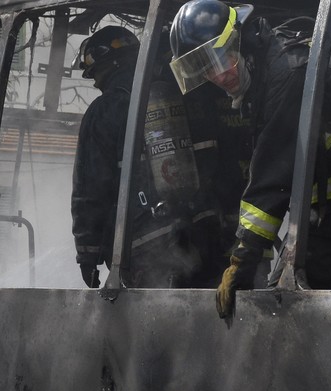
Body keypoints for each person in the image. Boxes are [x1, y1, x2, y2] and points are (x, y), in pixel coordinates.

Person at [168, 0, 331, 317]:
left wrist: (242, 259)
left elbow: (272, 175)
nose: (217, 75)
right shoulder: (275, 61)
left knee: (285, 312)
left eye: (220, 59)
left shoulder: (287, 75)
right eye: (204, 68)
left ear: (239, 39)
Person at [70, 26, 224, 289]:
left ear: (112, 64)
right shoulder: (184, 95)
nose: (94, 82)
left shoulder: (104, 110)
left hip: (143, 247)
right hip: (203, 234)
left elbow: (91, 187)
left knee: (152, 326)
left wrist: (87, 253)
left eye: (95, 73)